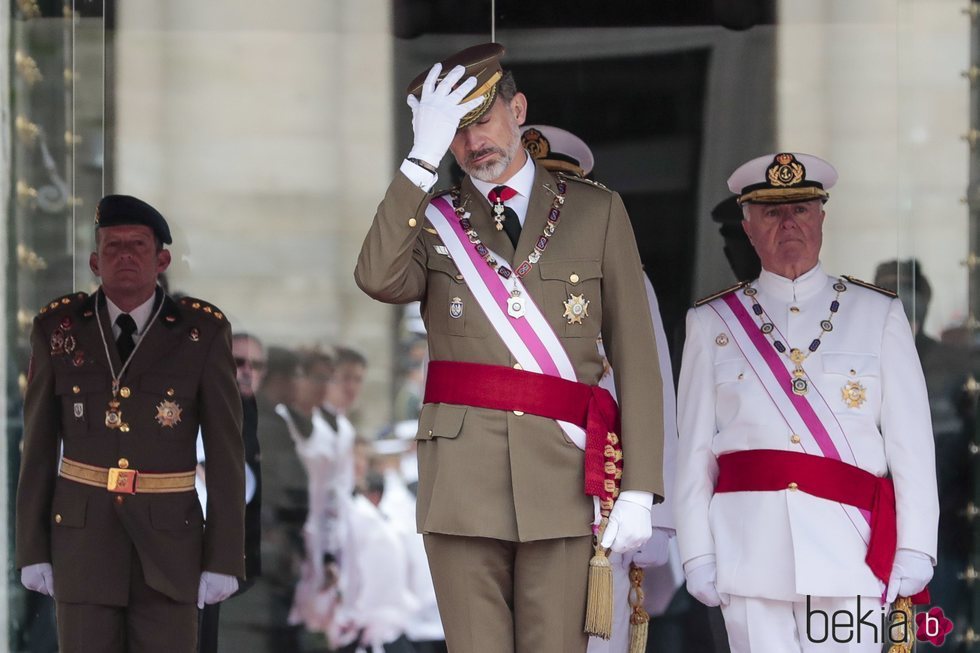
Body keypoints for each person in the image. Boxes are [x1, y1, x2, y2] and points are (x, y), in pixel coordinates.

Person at [354, 43, 666, 653]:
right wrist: (419, 160)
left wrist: (638, 485)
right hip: (462, 485)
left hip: (563, 478)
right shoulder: (434, 220)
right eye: (455, 131)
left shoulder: (596, 211)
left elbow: (636, 354)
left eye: (482, 119)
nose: (473, 143)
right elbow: (376, 277)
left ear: (518, 107)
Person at [674, 153, 940, 652]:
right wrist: (697, 553)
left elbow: (912, 445)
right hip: (748, 550)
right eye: (772, 213)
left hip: (854, 549)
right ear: (748, 227)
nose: (789, 223)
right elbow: (692, 451)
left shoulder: (878, 314)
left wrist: (916, 546)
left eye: (801, 208)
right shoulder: (712, 323)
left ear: (822, 217)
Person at [16, 194, 245, 652]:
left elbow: (225, 454)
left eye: (137, 246)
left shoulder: (199, 334)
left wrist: (224, 558)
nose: (124, 255)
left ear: (162, 259)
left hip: (171, 548)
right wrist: (32, 549)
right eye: (112, 246)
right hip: (83, 545)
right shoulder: (58, 330)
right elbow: (37, 451)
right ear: (94, 262)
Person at [520, 122, 681, 653]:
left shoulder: (622, 273)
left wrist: (656, 518)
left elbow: (650, 391)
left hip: (597, 499)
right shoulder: (479, 277)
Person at [198, 333, 266, 653]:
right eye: (239, 362)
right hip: (205, 555)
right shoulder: (206, 407)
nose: (248, 370)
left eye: (257, 364)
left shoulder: (264, 417)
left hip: (250, 565)